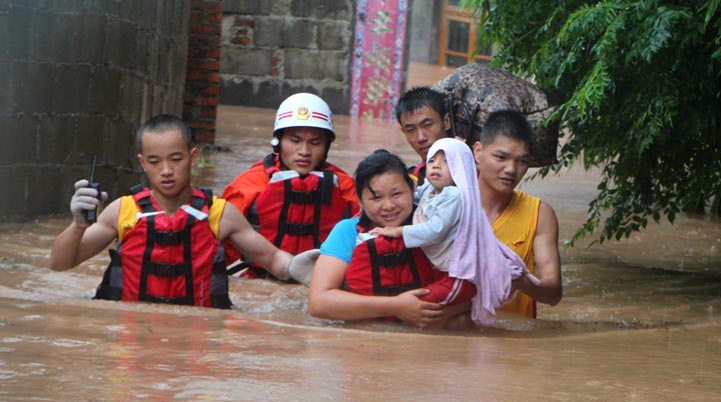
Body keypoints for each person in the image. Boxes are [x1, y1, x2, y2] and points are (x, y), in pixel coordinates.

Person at [50, 114, 301, 308]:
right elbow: (60, 263)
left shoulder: (220, 214)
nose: (167, 170)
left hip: (196, 344)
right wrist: (78, 225)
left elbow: (274, 260)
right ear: (142, 163)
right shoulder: (122, 211)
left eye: (176, 159)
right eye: (155, 161)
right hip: (130, 336)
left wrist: (315, 269)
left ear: (193, 157)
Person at [369, 138, 538, 325]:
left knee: (421, 306)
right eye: (432, 161)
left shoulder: (454, 195)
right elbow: (409, 195)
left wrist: (400, 231)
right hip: (439, 271)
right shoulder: (431, 191)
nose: (436, 166)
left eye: (446, 162)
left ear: (460, 168)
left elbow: (435, 230)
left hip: (457, 276)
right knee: (417, 310)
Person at [305, 149, 468, 327]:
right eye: (376, 198)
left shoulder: (437, 224)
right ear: (360, 201)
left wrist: (440, 315)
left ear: (413, 189)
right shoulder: (347, 231)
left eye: (397, 194)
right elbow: (318, 302)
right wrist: (396, 306)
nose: (389, 206)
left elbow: (476, 287)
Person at [221, 92, 359, 278]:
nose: (304, 151)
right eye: (295, 141)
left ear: (326, 146)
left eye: (315, 142)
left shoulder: (346, 189)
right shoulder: (248, 185)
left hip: (323, 283)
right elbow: (218, 250)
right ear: (278, 142)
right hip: (260, 282)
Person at [474, 110, 563, 317]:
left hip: (517, 343)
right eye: (501, 157)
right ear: (478, 152)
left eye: (521, 161)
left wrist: (520, 281)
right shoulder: (451, 206)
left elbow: (554, 293)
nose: (511, 169)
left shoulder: (540, 214)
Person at [394, 87, 451, 185]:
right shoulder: (408, 183)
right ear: (404, 132)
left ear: (446, 122)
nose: (420, 138)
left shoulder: (471, 175)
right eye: (411, 130)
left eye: (428, 125)